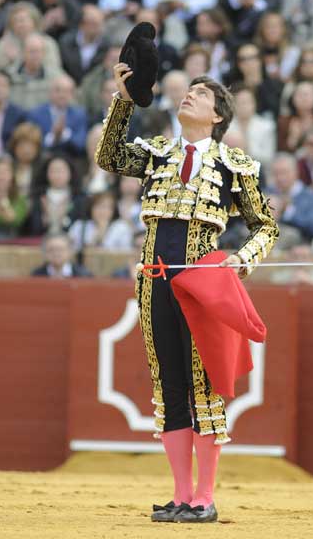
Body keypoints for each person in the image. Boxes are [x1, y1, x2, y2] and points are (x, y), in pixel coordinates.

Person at [94, 62, 279, 522]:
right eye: (188, 91)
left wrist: (242, 259)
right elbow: (109, 157)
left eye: (200, 94)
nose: (188, 96)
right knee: (170, 387)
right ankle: (181, 495)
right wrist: (125, 99)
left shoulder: (235, 164)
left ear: (218, 116)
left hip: (202, 287)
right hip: (154, 282)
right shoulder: (157, 153)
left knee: (203, 387)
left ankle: (205, 497)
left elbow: (266, 225)